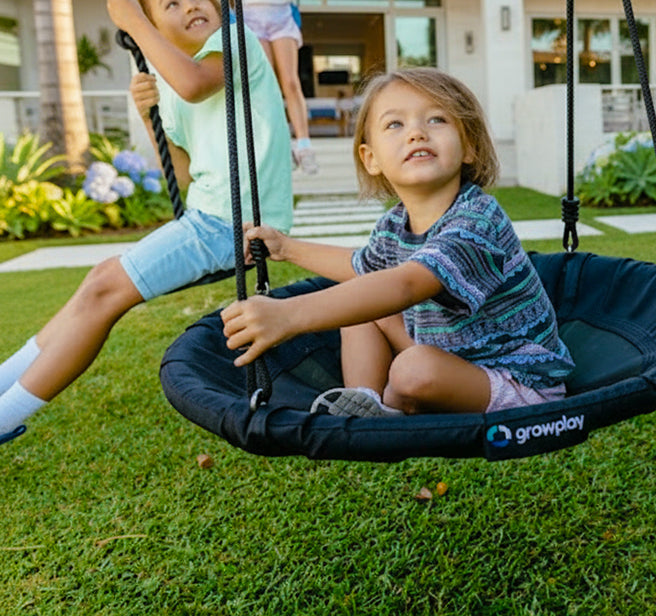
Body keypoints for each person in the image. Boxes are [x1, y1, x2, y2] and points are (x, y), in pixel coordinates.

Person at [0, 0, 293, 447]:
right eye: (170, 4)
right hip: (208, 215)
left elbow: (198, 82)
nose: (191, 4)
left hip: (237, 222)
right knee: (98, 283)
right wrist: (150, 113)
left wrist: (135, 22)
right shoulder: (168, 84)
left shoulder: (236, 43)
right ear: (158, 29)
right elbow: (180, 173)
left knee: (103, 291)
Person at [220, 68, 575, 417]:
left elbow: (406, 285)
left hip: (516, 378)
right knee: (360, 300)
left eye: (436, 120)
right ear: (371, 159)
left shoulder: (477, 219)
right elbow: (361, 267)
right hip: (449, 355)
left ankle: (394, 404)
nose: (417, 133)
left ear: (469, 147)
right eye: (395, 125)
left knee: (412, 369)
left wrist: (289, 315)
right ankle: (366, 406)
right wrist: (286, 248)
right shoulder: (394, 225)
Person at [207, 0, 319, 174]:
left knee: (290, 82)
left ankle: (304, 144)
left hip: (281, 15)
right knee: (265, 85)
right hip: (251, 19)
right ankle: (278, 143)